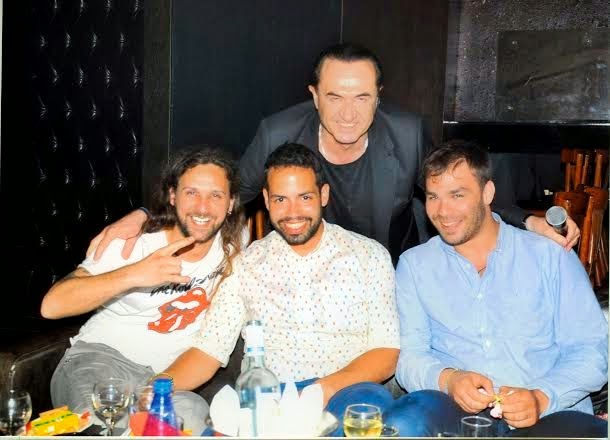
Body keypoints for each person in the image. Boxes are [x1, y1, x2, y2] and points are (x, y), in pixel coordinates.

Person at [85, 43, 579, 264]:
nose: (347, 113)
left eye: (362, 97)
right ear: (314, 96)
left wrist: (527, 221)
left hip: (389, 268)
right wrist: (145, 215)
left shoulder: (406, 134)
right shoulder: (278, 131)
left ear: (379, 97)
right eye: (334, 97)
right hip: (306, 270)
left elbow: (455, 189)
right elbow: (226, 192)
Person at [159, 143, 401, 435]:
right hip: (269, 399)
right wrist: (154, 389)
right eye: (280, 199)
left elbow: (386, 351)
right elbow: (208, 350)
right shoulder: (246, 264)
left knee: (367, 409)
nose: (293, 212)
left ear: (324, 195)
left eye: (305, 197)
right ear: (266, 199)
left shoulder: (369, 256)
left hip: (346, 391)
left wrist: (321, 390)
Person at [384, 140, 607, 437]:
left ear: (487, 193)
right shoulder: (415, 265)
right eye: (433, 197)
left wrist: (542, 397)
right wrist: (449, 380)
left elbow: (592, 351)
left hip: (548, 413)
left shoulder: (549, 256)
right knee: (401, 423)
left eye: (457, 195)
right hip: (456, 411)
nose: (443, 211)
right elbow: (410, 356)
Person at [40, 146, 246, 434]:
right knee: (106, 426)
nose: (202, 207)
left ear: (231, 203)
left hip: (165, 381)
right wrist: (135, 274)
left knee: (194, 418)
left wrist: (155, 389)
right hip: (100, 361)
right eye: (191, 193)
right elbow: (52, 305)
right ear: (172, 196)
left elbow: (209, 352)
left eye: (216, 195)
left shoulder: (234, 246)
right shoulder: (132, 244)